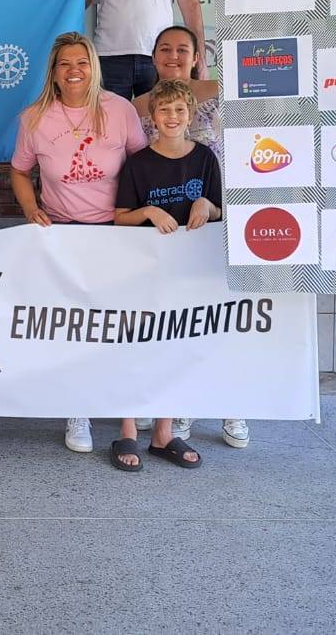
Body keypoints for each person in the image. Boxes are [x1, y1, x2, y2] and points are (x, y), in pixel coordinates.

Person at [9, 33, 148, 458]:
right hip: (63, 234)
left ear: (94, 67)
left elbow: (144, 165)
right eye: (65, 63)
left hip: (115, 232)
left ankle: (126, 404)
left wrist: (143, 217)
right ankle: (78, 411)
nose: (74, 70)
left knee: (120, 325)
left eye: (82, 62)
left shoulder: (120, 109)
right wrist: (31, 208)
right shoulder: (34, 118)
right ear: (53, 71)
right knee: (74, 328)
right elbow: (19, 171)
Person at [131, 25, 245, 449]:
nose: (173, 56)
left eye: (183, 49)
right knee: (169, 322)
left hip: (212, 219)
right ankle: (173, 406)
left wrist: (215, 205)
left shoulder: (220, 93)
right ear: (153, 57)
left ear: (198, 56)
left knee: (217, 320)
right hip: (161, 231)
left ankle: (232, 405)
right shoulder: (137, 105)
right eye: (164, 49)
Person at [112, 78, 220, 471]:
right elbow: (120, 218)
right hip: (141, 268)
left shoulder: (205, 159)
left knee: (176, 345)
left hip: (187, 270)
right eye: (164, 110)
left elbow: (220, 211)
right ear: (152, 117)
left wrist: (206, 204)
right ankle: (127, 429)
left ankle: (163, 432)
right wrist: (148, 211)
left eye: (179, 110)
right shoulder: (138, 163)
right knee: (134, 344)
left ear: (191, 115)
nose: (172, 116)